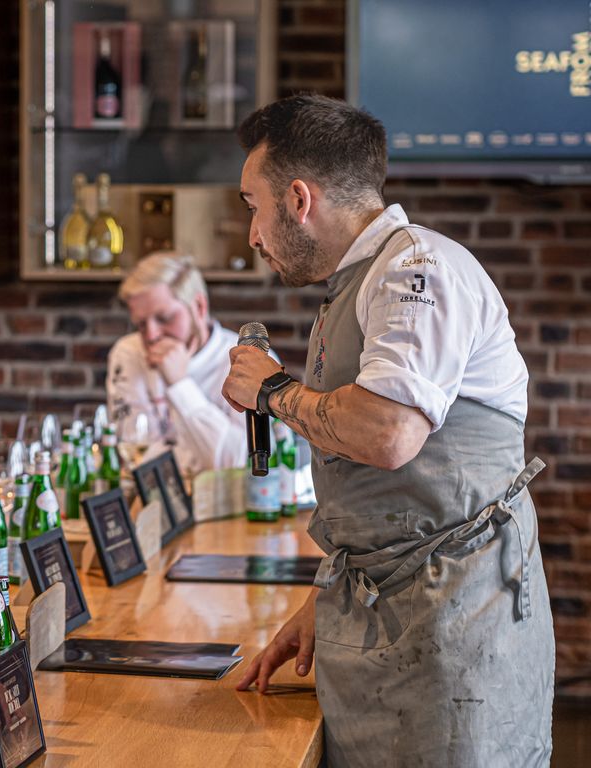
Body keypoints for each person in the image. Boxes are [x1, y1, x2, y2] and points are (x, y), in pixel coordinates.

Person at [224, 94, 553, 766]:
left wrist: (271, 390)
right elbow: (385, 492)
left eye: (253, 206)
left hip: (455, 625)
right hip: (391, 610)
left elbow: (388, 434)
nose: (252, 235)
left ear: (298, 200)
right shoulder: (362, 280)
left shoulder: (417, 272)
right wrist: (326, 600)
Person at [107, 252, 247, 475]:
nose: (151, 335)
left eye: (164, 318)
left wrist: (180, 385)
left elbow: (240, 464)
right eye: (141, 324)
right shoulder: (128, 353)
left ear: (199, 307)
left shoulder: (246, 361)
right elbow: (135, 452)